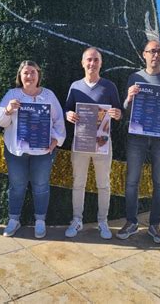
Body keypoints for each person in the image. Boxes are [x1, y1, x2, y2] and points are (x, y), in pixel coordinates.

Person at [116, 40, 160, 243]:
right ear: (144, 54)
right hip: (137, 137)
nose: (156, 55)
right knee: (132, 181)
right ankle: (131, 222)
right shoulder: (135, 78)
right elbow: (125, 110)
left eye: (159, 51)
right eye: (152, 51)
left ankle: (154, 225)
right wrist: (128, 97)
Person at [0, 60, 66, 238]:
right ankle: (14, 219)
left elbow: (58, 121)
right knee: (17, 186)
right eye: (26, 72)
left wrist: (56, 140)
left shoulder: (49, 95)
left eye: (33, 72)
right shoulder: (12, 94)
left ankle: (40, 220)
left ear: (38, 75)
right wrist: (9, 110)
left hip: (42, 152)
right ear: (20, 76)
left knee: (41, 186)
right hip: (16, 152)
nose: (29, 76)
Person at [65, 47, 122, 239]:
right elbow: (67, 110)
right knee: (78, 183)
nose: (92, 63)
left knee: (103, 184)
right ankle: (77, 220)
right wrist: (69, 114)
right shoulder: (74, 86)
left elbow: (119, 112)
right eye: (89, 60)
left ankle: (102, 222)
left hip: (102, 143)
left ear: (100, 63)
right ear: (83, 63)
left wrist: (117, 114)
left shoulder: (109, 86)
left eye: (96, 60)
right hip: (80, 142)